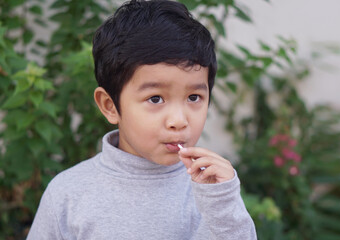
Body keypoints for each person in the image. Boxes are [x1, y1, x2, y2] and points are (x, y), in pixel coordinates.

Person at [27, 0, 257, 239]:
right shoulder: (68, 194)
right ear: (110, 106)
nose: (178, 121)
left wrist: (223, 204)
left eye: (193, 97)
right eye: (156, 99)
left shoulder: (213, 190)